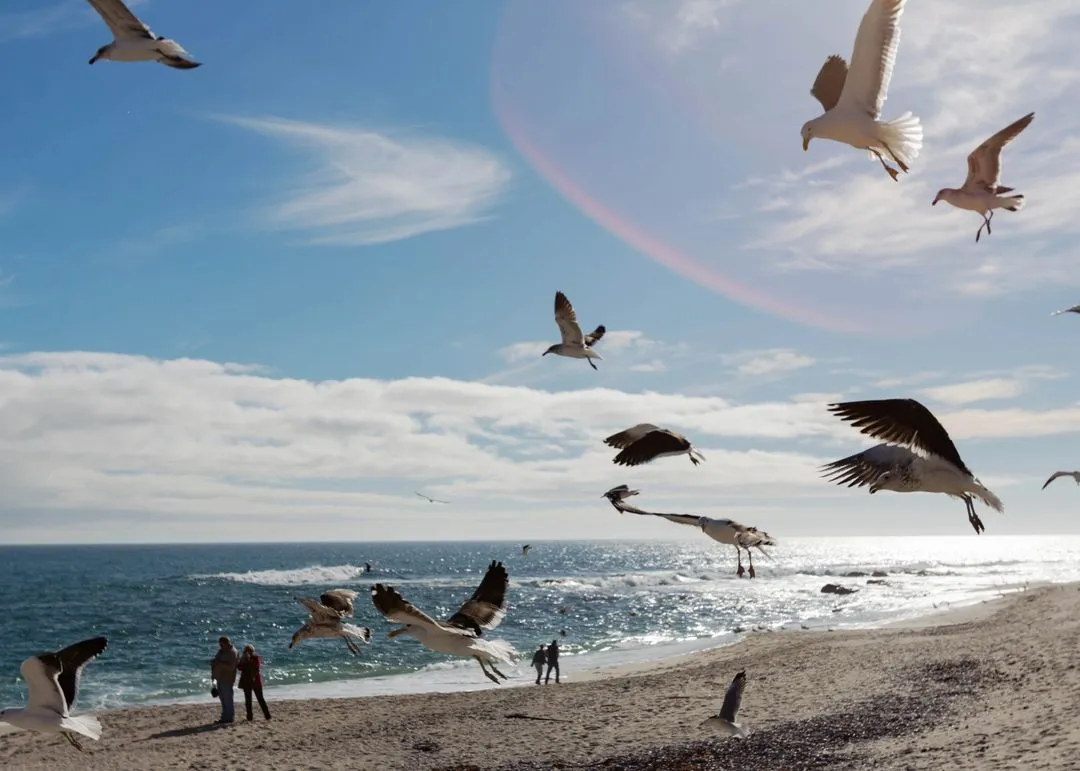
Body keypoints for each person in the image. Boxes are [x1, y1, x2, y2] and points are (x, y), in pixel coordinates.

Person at [237, 644, 271, 721]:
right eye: (246, 651)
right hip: (247, 681)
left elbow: (256, 667)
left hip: (255, 681)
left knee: (260, 698)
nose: (249, 653)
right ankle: (249, 717)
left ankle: (267, 715)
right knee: (248, 700)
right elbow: (239, 667)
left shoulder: (256, 658)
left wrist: (247, 661)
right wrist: (244, 660)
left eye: (250, 651)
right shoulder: (243, 659)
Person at [210, 636, 239, 724]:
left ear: (227, 643)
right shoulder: (222, 651)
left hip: (227, 679)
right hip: (219, 678)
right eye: (220, 645)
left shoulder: (232, 652)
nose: (220, 647)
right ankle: (224, 717)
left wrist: (220, 663)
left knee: (228, 698)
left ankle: (229, 717)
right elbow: (217, 660)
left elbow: (231, 667)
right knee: (222, 698)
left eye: (222, 645)